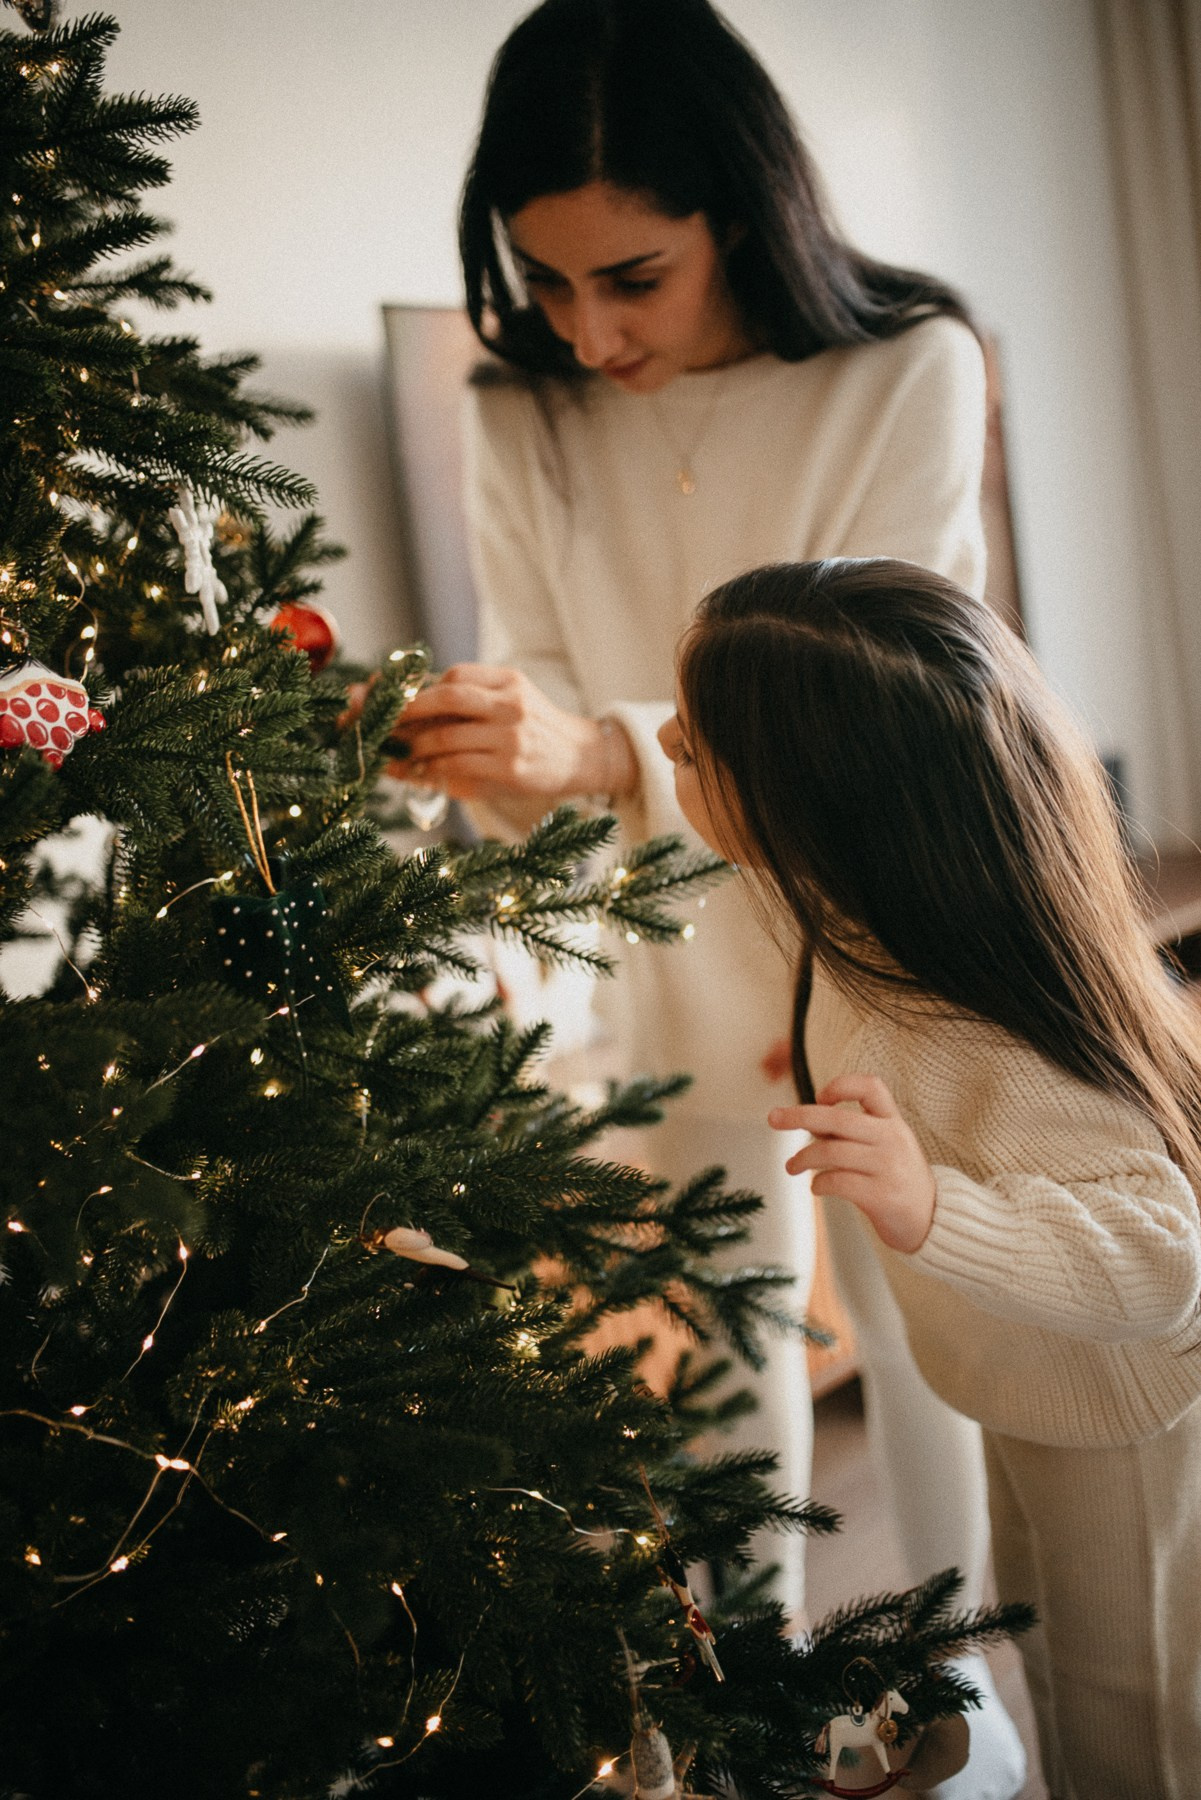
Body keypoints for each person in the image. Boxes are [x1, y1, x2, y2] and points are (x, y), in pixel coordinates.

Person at [395, 5, 1024, 1791]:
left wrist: (595, 751)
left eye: (635, 278)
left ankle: (959, 1705)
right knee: (718, 1334)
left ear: (742, 212)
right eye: (547, 281)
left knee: (935, 1337)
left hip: (886, 917)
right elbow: (542, 678)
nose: (590, 333)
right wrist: (496, 745)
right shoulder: (516, 402)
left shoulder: (908, 369)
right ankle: (747, 1711)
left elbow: (877, 719)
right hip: (663, 922)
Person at [662, 555, 1201, 1799]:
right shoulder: (864, 919)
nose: (669, 755)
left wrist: (933, 1206)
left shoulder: (975, 1020)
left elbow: (1165, 1254)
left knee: (1137, 1701)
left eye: (693, 752)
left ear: (811, 796)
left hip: (1110, 1402)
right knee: (1048, 1640)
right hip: (1027, 1380)